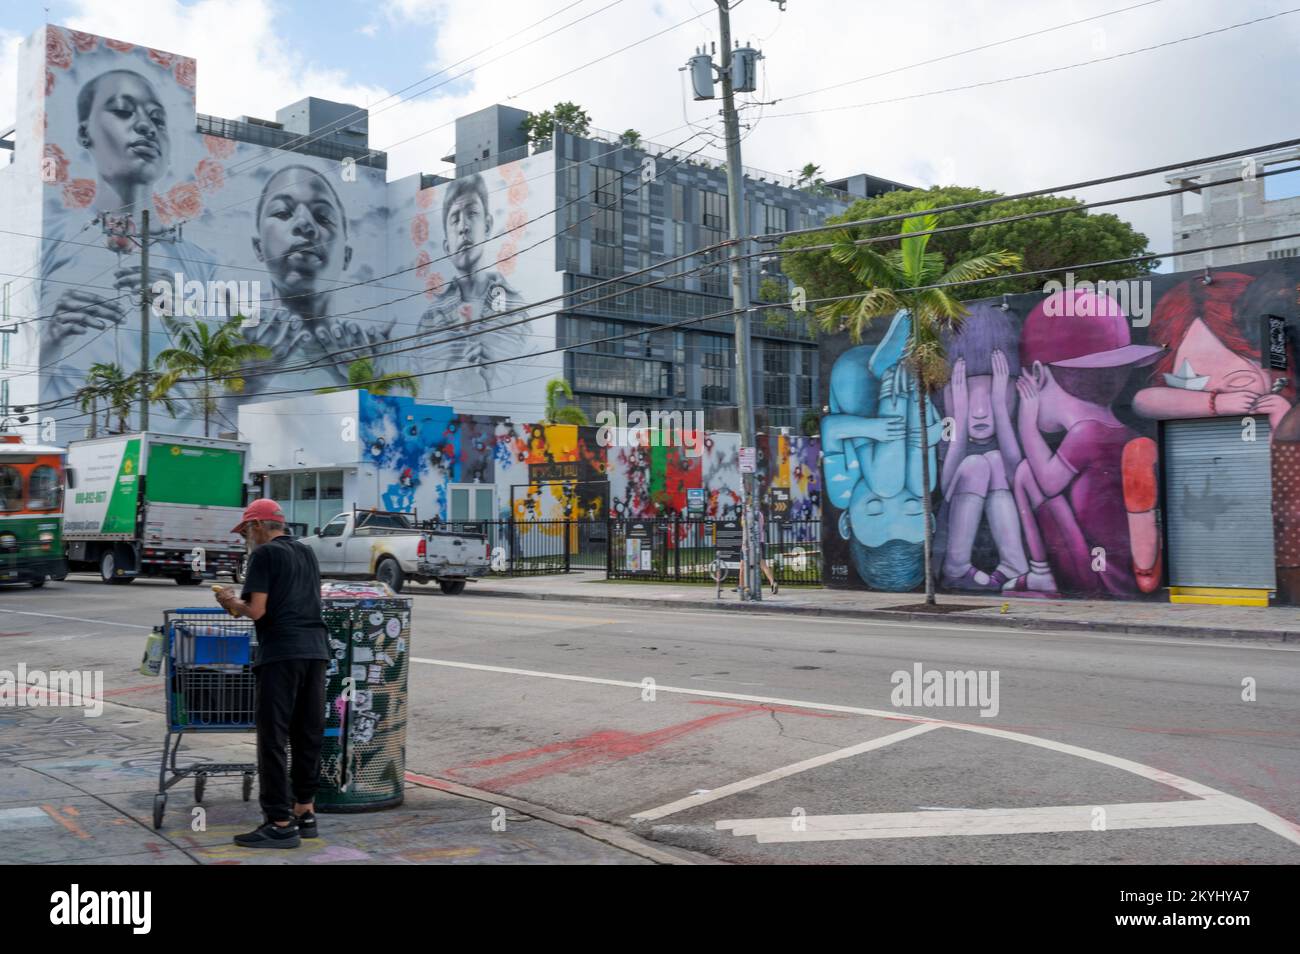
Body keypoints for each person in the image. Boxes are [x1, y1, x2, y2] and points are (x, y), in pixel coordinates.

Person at [1006, 290, 1164, 599]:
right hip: (1119, 569)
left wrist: (1026, 424)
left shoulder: (1086, 434)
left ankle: (1041, 574)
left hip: (1098, 577)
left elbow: (1049, 484)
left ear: (1037, 375)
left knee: (1027, 474)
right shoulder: (1123, 431)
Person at [214, 498, 328, 849]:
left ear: (259, 525)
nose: (246, 537)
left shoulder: (263, 555)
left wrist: (230, 602)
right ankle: (305, 811)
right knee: (306, 733)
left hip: (281, 652)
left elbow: (258, 611)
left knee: (273, 738)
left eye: (247, 530)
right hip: (316, 651)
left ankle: (279, 822)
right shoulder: (306, 552)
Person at [236, 164, 385, 400]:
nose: (304, 225)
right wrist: (243, 387)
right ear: (258, 247)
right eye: (283, 213)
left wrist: (369, 387)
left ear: (346, 256)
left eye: (323, 217)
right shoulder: (229, 346)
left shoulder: (376, 352)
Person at [418, 173, 530, 403]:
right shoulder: (430, 320)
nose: (463, 227)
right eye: (454, 219)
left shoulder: (517, 308)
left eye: (472, 214)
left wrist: (491, 383)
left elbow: (529, 381)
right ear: (447, 244)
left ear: (487, 225)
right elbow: (420, 393)